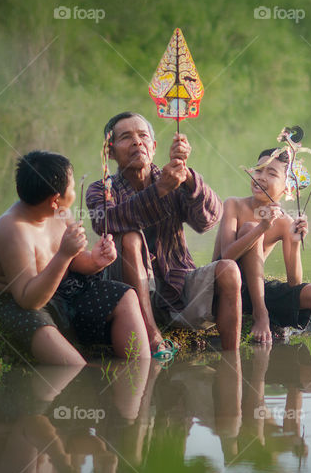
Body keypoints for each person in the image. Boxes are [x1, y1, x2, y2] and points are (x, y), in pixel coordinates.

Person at [0, 150, 151, 365]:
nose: (74, 192)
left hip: (59, 292)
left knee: (125, 296)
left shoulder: (60, 212)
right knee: (73, 366)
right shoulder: (13, 231)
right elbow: (28, 299)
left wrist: (95, 261)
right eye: (72, 188)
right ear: (55, 200)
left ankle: (141, 373)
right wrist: (64, 254)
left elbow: (75, 261)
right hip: (13, 302)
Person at [85, 112, 242, 352]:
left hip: (177, 284)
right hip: (127, 291)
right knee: (130, 237)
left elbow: (208, 220)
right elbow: (106, 221)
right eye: (126, 137)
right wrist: (159, 190)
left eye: (143, 136)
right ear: (110, 151)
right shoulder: (101, 189)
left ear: (154, 146)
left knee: (229, 269)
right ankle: (151, 335)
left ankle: (233, 358)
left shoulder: (174, 179)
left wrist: (188, 177)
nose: (137, 142)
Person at [212, 148, 311, 343]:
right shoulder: (233, 205)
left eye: (271, 173)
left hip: (255, 291)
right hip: (224, 286)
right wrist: (261, 227)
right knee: (250, 228)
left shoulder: (285, 222)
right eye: (258, 170)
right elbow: (227, 257)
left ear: (287, 188)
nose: (261, 177)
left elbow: (294, 283)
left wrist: (295, 242)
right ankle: (260, 314)